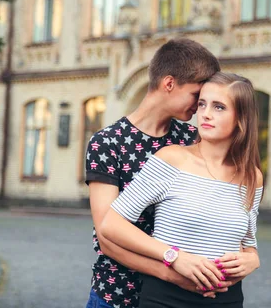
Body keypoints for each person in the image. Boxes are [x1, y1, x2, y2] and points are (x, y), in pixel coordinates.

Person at [99, 73, 264, 308]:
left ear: (241, 118)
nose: (205, 113)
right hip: (166, 298)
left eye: (219, 107)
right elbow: (112, 225)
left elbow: (249, 242)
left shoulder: (252, 177)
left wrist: (253, 260)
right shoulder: (172, 159)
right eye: (202, 104)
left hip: (226, 300)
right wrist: (174, 256)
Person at [85, 38, 222, 308]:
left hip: (176, 300)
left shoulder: (192, 139)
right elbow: (107, 237)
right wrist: (172, 268)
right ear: (169, 83)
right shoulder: (107, 143)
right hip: (117, 295)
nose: (200, 107)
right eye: (197, 96)